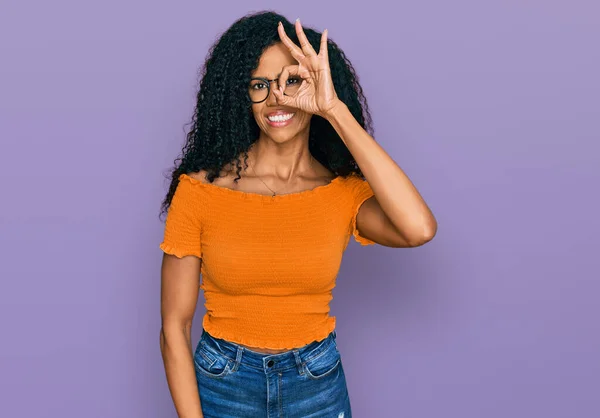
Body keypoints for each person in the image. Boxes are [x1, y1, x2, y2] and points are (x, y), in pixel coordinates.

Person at [158, 10, 437, 418]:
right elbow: (174, 328)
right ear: (242, 95)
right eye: (260, 85)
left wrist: (334, 110)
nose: (277, 98)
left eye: (293, 81)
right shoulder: (201, 190)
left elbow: (419, 229)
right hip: (224, 385)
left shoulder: (340, 192)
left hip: (316, 385)